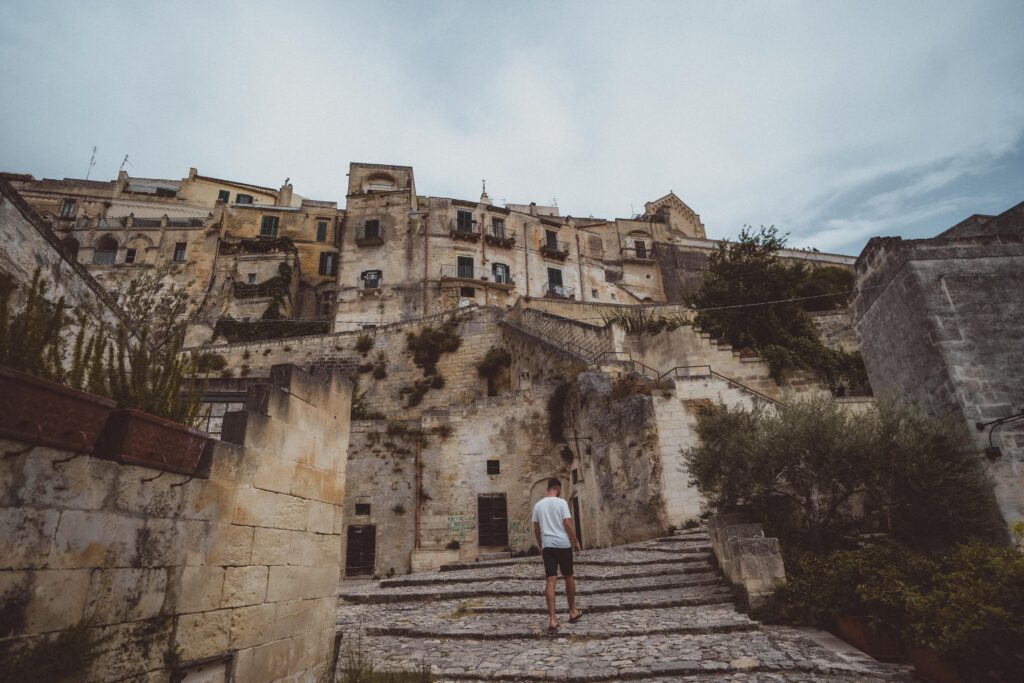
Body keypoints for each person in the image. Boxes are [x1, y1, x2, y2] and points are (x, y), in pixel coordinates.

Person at [531, 477, 583, 631]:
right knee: (568, 576)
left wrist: (541, 545)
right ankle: (572, 611)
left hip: (548, 547)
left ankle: (552, 618)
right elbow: (567, 523)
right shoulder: (562, 503)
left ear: (548, 488)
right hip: (563, 544)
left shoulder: (538, 506)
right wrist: (575, 541)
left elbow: (536, 528)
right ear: (558, 488)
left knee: (550, 580)